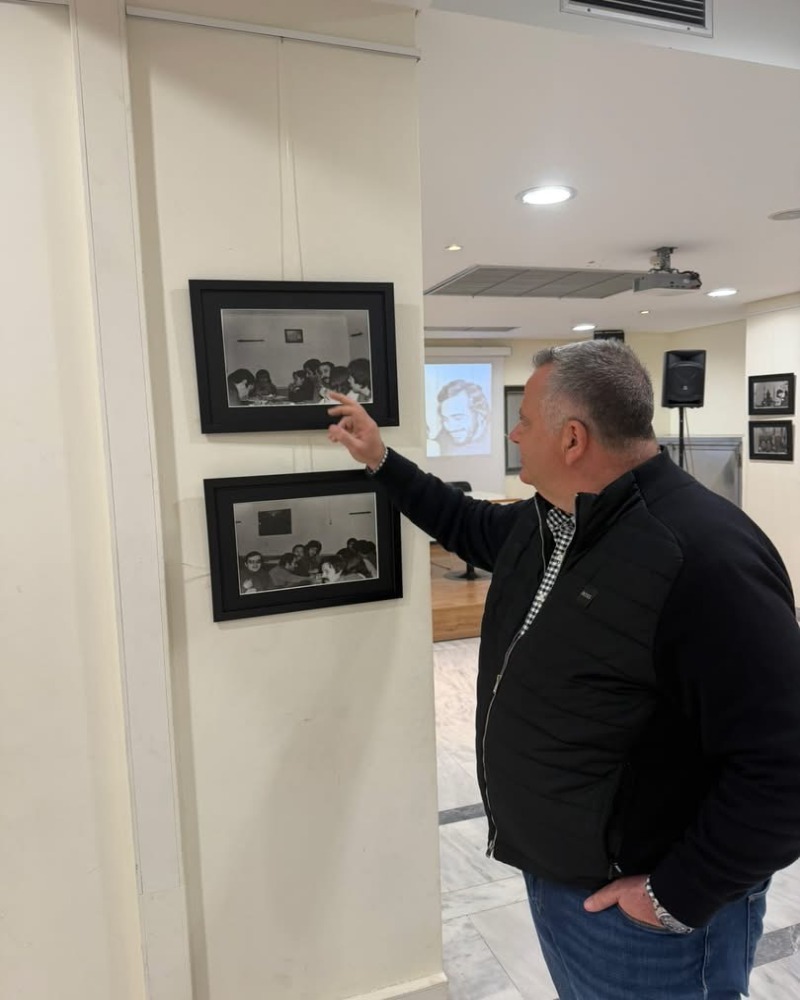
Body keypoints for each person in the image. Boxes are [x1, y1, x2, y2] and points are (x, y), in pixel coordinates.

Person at [326, 339, 800, 1000]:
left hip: (644, 920)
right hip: (564, 878)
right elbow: (464, 523)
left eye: (524, 421)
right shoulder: (554, 519)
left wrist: (673, 896)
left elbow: (783, 765)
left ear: (573, 439)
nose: (514, 433)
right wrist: (380, 458)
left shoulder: (704, 557)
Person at [432, 378, 490, 455]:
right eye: (445, 419)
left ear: (479, 415)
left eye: (458, 418)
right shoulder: (441, 440)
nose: (450, 428)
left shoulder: (495, 439)